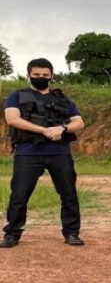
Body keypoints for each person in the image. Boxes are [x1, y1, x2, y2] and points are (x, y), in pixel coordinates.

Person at [1, 58, 86, 248]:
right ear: (29, 75)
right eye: (37, 75)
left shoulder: (62, 99)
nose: (41, 78)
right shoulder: (16, 96)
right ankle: (12, 233)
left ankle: (71, 232)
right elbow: (12, 119)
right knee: (20, 194)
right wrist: (44, 130)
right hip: (28, 152)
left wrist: (61, 129)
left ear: (51, 76)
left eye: (45, 75)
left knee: (68, 193)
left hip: (59, 152)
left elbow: (79, 122)